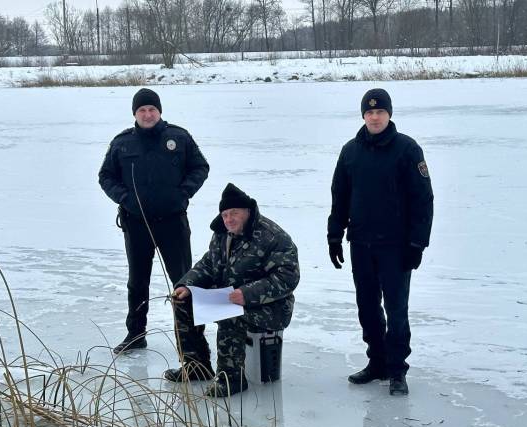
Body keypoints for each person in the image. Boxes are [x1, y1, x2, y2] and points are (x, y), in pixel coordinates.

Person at [327, 88, 433, 395]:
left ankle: (397, 370)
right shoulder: (350, 151)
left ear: (389, 114)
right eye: (369, 112)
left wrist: (417, 243)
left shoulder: (407, 150)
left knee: (397, 310)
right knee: (367, 307)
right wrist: (335, 235)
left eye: (380, 112)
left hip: (395, 246)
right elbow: (340, 197)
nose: (374, 117)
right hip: (360, 243)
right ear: (363, 115)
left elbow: (423, 200)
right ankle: (377, 363)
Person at [98, 88, 209, 354]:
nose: (147, 115)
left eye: (152, 110)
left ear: (160, 112)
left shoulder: (179, 138)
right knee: (138, 281)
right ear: (135, 114)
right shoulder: (122, 143)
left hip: (173, 222)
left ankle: (192, 340)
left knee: (184, 281)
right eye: (142, 110)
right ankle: (136, 334)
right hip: (136, 223)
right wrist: (124, 198)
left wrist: (182, 194)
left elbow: (200, 167)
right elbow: (105, 176)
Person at [164, 183, 300, 397]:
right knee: (182, 301)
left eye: (234, 213)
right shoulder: (221, 233)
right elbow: (208, 264)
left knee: (230, 313)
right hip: (229, 297)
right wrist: (187, 285)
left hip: (271, 307)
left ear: (248, 211)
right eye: (225, 214)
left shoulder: (273, 237)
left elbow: (287, 277)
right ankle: (196, 367)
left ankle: (232, 379)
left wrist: (247, 294)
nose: (229, 219)